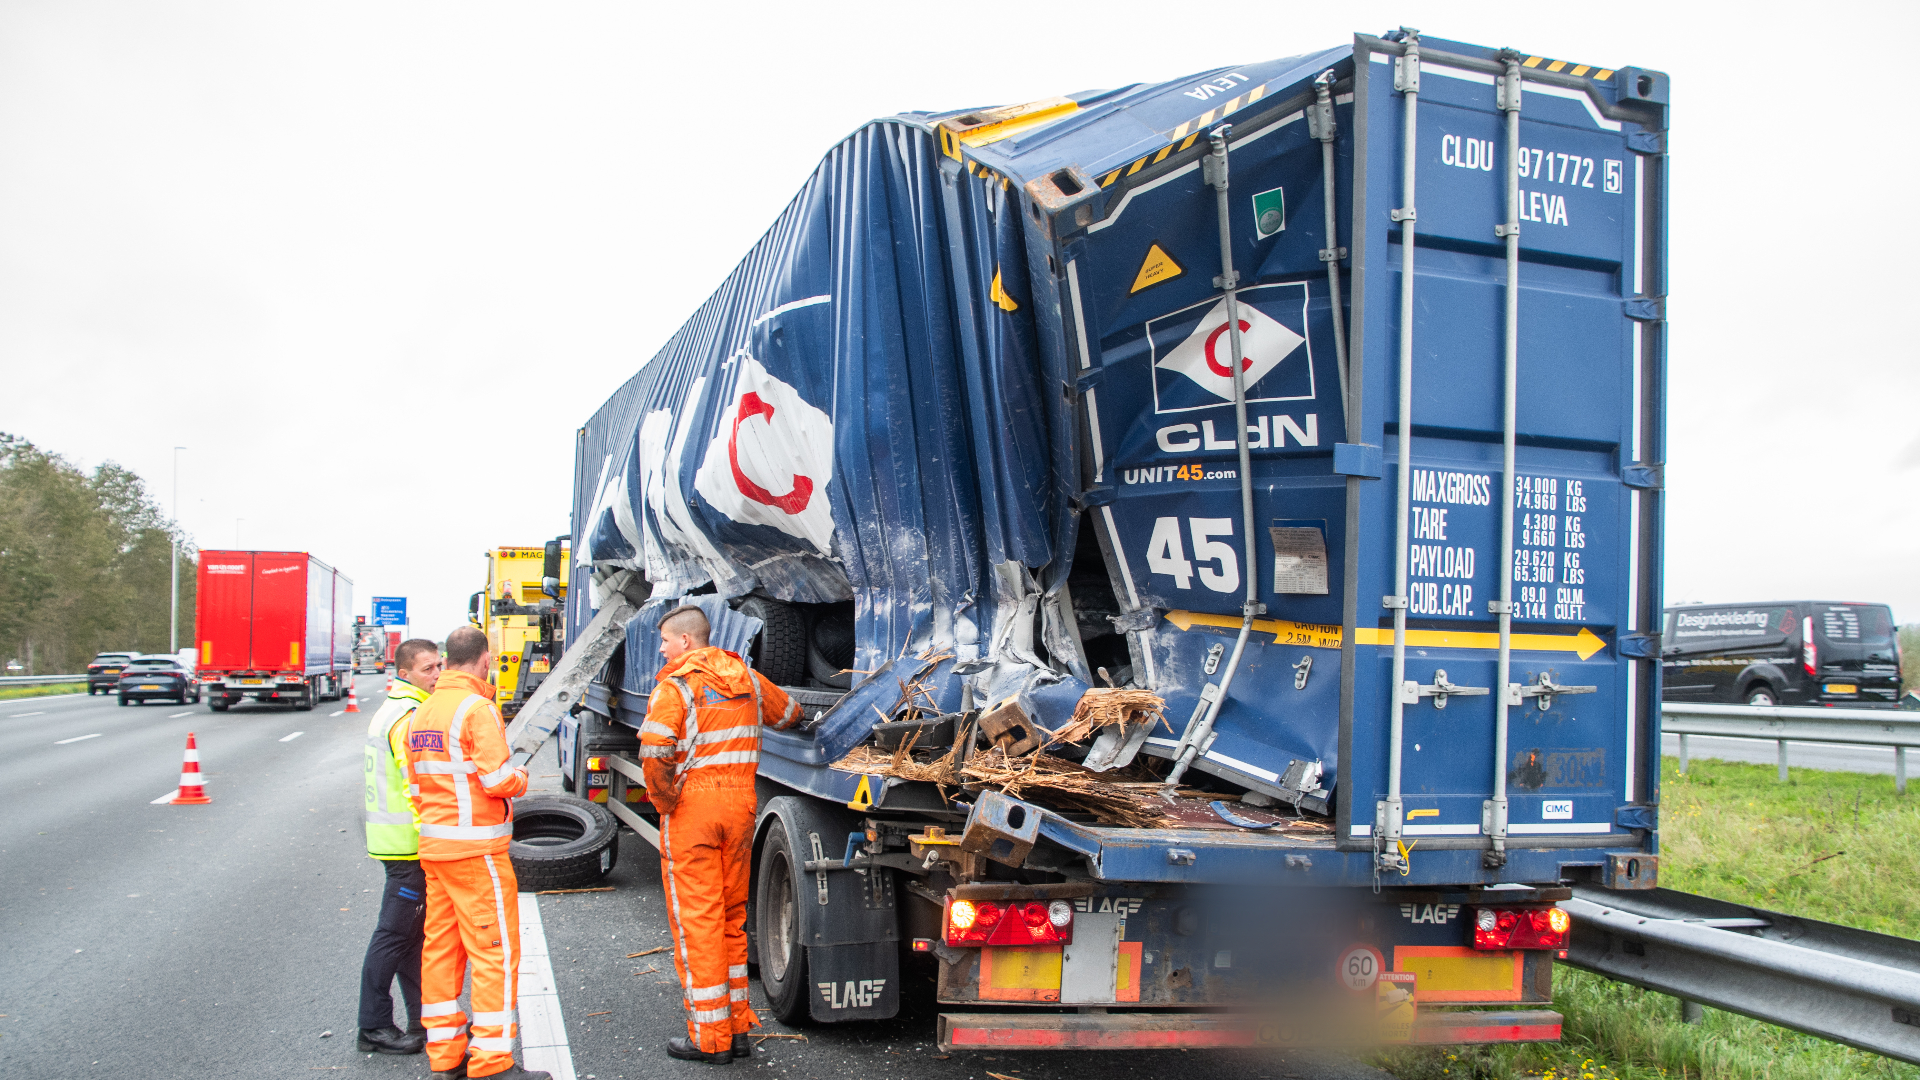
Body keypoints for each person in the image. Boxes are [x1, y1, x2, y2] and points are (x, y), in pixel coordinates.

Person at [640, 605, 802, 1064]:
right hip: (740, 805)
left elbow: (654, 753)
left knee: (697, 924)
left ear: (686, 642)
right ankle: (736, 1029)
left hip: (693, 808)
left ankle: (709, 1039)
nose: (663, 649)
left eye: (666, 641)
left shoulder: (676, 687)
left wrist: (665, 801)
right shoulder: (747, 679)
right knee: (732, 917)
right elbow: (788, 712)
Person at [404, 626, 549, 1080]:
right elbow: (498, 780)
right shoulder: (477, 709)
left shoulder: (423, 712)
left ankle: (446, 1055)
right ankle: (491, 1063)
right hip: (477, 853)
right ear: (486, 660)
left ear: (447, 661)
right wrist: (522, 776)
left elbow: (415, 789)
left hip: (436, 849)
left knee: (441, 953)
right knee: (494, 953)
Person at [356, 638, 444, 1055]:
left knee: (410, 938)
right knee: (393, 936)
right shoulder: (408, 718)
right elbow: (417, 787)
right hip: (409, 847)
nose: (437, 674)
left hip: (396, 843)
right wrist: (435, 834)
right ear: (404, 673)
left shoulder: (393, 709)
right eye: (428, 669)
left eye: (439, 666)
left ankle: (423, 1020)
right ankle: (373, 1028)